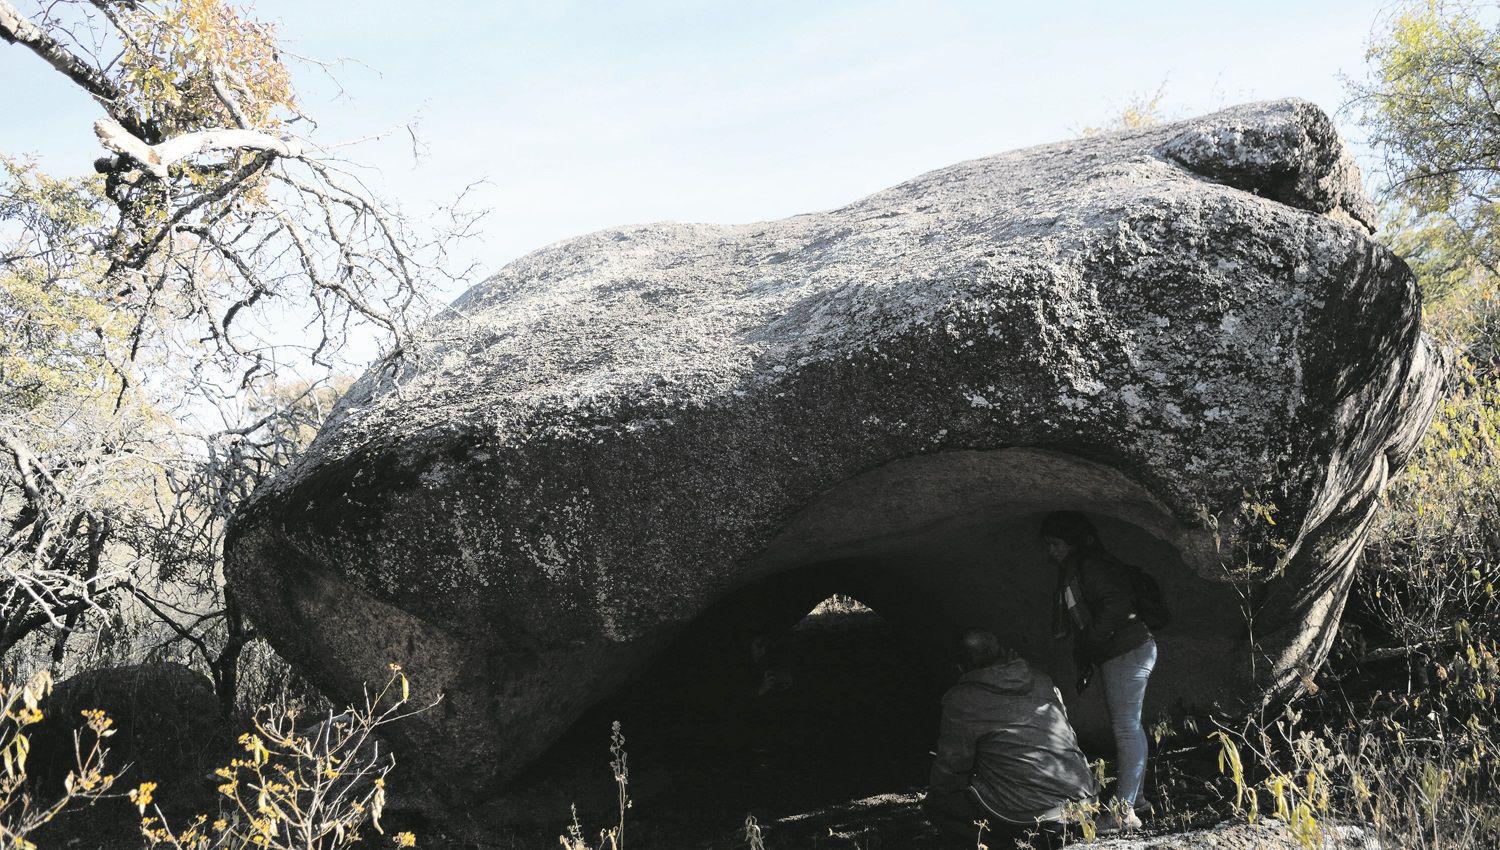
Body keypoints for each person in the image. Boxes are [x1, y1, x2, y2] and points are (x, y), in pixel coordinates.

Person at [924, 629, 1098, 848]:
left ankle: (1000, 844)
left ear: (960, 666)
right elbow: (1070, 735)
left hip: (1031, 818)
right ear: (1003, 653)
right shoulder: (1042, 680)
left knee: (938, 805)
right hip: (1085, 807)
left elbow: (952, 767)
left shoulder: (962, 699)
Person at [1042, 510, 1157, 833]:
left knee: (1126, 728)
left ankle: (1123, 813)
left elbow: (1117, 608)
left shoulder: (1091, 565)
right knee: (1129, 727)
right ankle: (1137, 800)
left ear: (1071, 541)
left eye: (1053, 544)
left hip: (1128, 650)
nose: (1050, 551)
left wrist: (1090, 645)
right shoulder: (1080, 566)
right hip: (1123, 651)